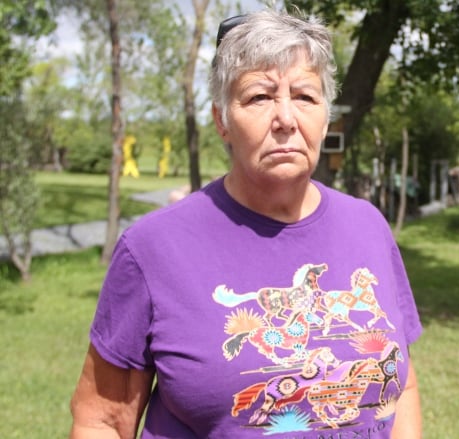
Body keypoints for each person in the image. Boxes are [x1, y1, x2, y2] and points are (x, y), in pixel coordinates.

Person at [69, 8, 423, 438]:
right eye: (259, 97)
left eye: (305, 97)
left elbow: (401, 386)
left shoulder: (367, 225)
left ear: (325, 119)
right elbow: (102, 420)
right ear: (222, 120)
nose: (286, 120)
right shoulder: (153, 248)